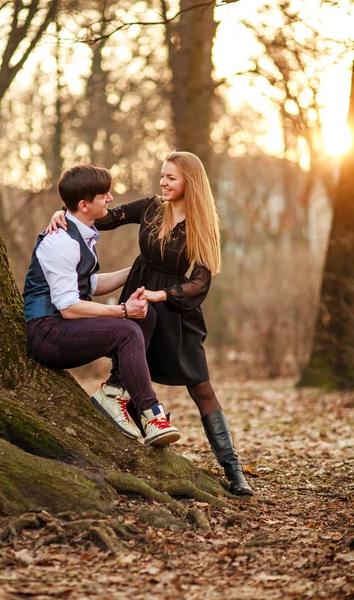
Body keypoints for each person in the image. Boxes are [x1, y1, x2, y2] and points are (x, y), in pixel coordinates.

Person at [47, 152, 253, 496]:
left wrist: (163, 295)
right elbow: (103, 218)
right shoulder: (151, 207)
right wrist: (63, 214)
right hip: (140, 300)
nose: (163, 182)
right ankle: (147, 448)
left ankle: (233, 470)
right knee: (131, 378)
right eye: (162, 176)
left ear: (190, 180)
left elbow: (200, 282)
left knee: (201, 387)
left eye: (171, 177)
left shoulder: (204, 224)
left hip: (175, 306)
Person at [23, 164, 180, 447]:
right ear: (84, 204)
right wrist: (122, 312)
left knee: (146, 317)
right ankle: (151, 414)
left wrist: (136, 270)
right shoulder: (61, 241)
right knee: (127, 329)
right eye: (103, 195)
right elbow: (69, 306)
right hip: (47, 335)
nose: (110, 199)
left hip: (62, 326)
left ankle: (114, 393)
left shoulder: (79, 233)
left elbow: (89, 285)